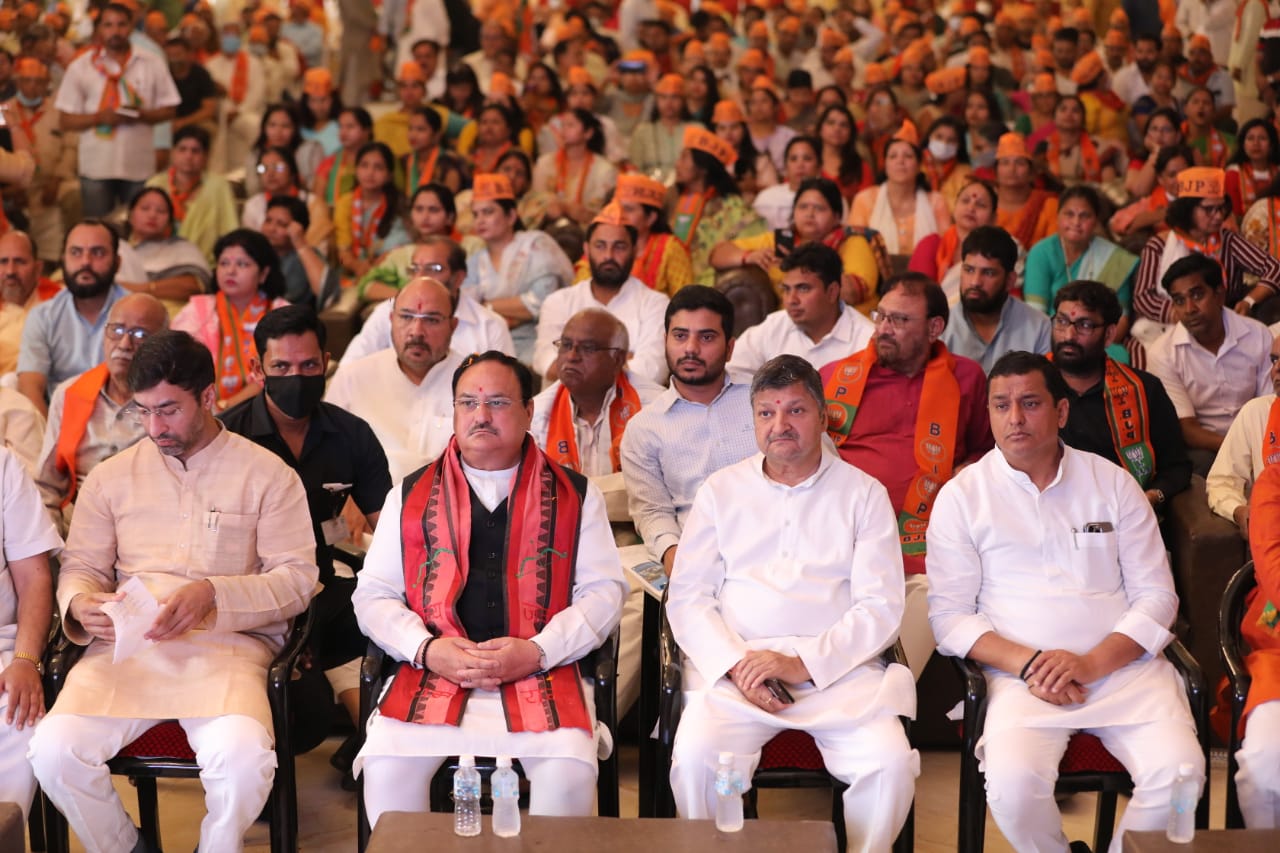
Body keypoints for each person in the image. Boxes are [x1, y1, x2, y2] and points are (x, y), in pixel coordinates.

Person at [28, 329, 318, 853]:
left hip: (227, 651)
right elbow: (82, 566)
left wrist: (213, 594)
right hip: (125, 654)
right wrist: (80, 603)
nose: (155, 427)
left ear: (208, 397)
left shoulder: (268, 474)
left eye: (168, 410)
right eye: (143, 412)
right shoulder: (111, 477)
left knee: (244, 758)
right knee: (52, 751)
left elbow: (296, 582)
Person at [926, 351, 1205, 853]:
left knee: (1182, 777)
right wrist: (1033, 664)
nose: (1014, 418)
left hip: (1125, 672)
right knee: (1012, 789)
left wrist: (1090, 662)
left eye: (1030, 403)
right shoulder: (962, 496)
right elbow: (949, 618)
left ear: (1061, 412)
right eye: (1001, 405)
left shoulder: (1113, 483)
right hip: (1022, 679)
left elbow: (1159, 598)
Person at [352, 349, 627, 825]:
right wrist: (426, 649)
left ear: (528, 411)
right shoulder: (410, 494)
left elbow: (603, 593)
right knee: (387, 766)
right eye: (467, 403)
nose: (481, 416)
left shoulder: (577, 494)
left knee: (567, 769)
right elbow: (372, 594)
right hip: (436, 670)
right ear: (454, 412)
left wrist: (539, 651)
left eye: (498, 402)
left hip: (541, 670)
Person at [667, 354, 918, 852]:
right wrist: (739, 665)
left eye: (796, 411)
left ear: (823, 419)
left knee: (888, 764)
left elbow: (880, 607)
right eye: (766, 412)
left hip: (839, 672)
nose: (779, 425)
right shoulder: (721, 490)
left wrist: (803, 662)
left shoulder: (863, 494)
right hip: (737, 670)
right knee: (695, 759)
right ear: (753, 420)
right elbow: (689, 597)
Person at [221, 305, 391, 787]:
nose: (296, 377)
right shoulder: (227, 436)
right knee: (302, 700)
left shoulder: (351, 434)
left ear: (326, 363)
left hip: (327, 578)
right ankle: (253, 766)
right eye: (281, 368)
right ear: (258, 370)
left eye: (308, 366)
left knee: (365, 610)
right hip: (251, 585)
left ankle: (375, 750)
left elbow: (389, 530)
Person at [819, 273, 991, 678]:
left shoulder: (966, 378)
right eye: (881, 316)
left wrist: (967, 473)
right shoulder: (832, 378)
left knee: (938, 592)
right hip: (844, 533)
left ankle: (880, 689)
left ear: (934, 328)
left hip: (927, 538)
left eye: (899, 321)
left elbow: (987, 449)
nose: (883, 329)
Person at [1051, 280, 1191, 514]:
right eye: (1062, 321)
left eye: (1084, 325)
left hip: (1122, 515)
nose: (1069, 334)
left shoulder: (1144, 390)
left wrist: (1153, 496)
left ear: (1109, 334)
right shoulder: (1032, 389)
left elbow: (1176, 467)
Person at [34, 293, 168, 533]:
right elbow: (48, 486)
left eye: (139, 335)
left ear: (164, 343)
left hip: (151, 525)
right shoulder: (69, 393)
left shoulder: (173, 402)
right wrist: (51, 545)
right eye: (116, 330)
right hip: (78, 524)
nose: (124, 345)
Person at [326, 278, 464, 482]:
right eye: (406, 317)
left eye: (431, 320)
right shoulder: (352, 378)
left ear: (453, 326)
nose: (416, 331)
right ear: (391, 319)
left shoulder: (475, 381)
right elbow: (328, 456)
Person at [1133, 167, 1280, 355]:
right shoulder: (1159, 245)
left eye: (1221, 208)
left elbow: (1274, 268)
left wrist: (1249, 301)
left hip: (1227, 327)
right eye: (1209, 209)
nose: (1218, 216)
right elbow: (1143, 297)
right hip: (1169, 326)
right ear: (1187, 209)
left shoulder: (1228, 240)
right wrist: (1188, 314)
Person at [1147, 253, 1274, 470]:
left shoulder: (1257, 335)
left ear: (1219, 294)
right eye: (1179, 300)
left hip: (1262, 438)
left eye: (1197, 295)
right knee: (1197, 465)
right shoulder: (1163, 353)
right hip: (1207, 447)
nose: (1189, 309)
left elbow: (1269, 407)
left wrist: (1256, 449)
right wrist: (1238, 449)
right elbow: (1186, 428)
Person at [54, 2, 180, 218]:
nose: (115, 31)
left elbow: (170, 109)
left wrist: (142, 115)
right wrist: (99, 117)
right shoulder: (82, 66)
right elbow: (65, 120)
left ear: (131, 26)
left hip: (138, 164)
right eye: (108, 25)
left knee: (137, 230)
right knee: (98, 228)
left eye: (121, 25)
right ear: (99, 29)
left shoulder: (151, 61)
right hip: (96, 165)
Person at [533, 204, 669, 385]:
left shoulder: (656, 304)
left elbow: (652, 371)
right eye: (600, 246)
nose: (609, 255)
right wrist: (620, 359)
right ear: (587, 250)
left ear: (635, 250)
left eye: (619, 247)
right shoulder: (559, 302)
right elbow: (546, 362)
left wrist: (574, 360)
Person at [0, 440, 61, 826]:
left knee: (16, 714)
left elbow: (35, 578)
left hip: (3, 643)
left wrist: (26, 659)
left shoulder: (3, 464)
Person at [340, 238, 513, 372]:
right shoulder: (386, 312)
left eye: (434, 269)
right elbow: (348, 369)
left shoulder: (490, 326)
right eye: (414, 269)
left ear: (459, 277)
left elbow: (507, 392)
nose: (421, 277)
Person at [18, 220, 129, 416]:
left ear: (117, 262)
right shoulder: (44, 316)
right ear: (63, 260)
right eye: (76, 252)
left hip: (126, 422)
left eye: (98, 252)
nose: (85, 261)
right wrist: (52, 440)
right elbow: (31, 387)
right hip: (60, 421)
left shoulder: (140, 314)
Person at [461, 173, 575, 365]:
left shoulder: (536, 245)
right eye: (476, 214)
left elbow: (542, 302)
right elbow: (467, 310)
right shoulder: (474, 261)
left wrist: (486, 305)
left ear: (511, 216)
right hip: (486, 345)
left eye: (488, 212)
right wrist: (511, 312)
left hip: (537, 341)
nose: (480, 220)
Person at [172, 229, 290, 411]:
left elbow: (284, 371)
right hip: (205, 410)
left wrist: (227, 406)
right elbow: (178, 367)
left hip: (269, 409)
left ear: (263, 273)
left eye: (243, 264)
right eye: (224, 263)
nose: (230, 271)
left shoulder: (281, 311)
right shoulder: (197, 310)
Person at [727, 242, 875, 379]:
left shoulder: (867, 339)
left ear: (832, 292)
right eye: (786, 289)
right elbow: (732, 372)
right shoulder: (774, 326)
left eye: (803, 289)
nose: (791, 300)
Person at [1024, 186, 1138, 361]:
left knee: (1120, 358)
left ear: (1096, 221)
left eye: (1084, 216)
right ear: (1058, 217)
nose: (1076, 222)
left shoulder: (1114, 259)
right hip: (1049, 339)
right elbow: (1034, 315)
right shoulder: (1041, 252)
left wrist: (1090, 341)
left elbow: (1120, 320)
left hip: (1097, 343)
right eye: (1069, 214)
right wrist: (1067, 340)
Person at [942, 226, 1051, 372]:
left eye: (988, 273)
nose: (975, 282)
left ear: (1010, 280)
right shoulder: (941, 327)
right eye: (969, 270)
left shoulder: (1039, 327)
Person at [672, 124, 768, 287]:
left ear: (702, 167)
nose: (677, 164)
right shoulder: (675, 200)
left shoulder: (733, 208)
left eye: (684, 157)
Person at [5, 56, 80, 264]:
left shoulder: (59, 110)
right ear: (17, 82)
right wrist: (14, 186)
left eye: (39, 81)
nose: (32, 86)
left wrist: (57, 180)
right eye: (26, 80)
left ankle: (72, 253)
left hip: (53, 181)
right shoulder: (4, 112)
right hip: (15, 185)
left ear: (47, 84)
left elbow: (71, 146)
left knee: (75, 194)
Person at [1206, 336, 1280, 537]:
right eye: (1274, 360)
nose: (1276, 369)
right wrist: (1237, 510)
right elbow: (1222, 481)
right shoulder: (1257, 413)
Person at [849, 121, 949, 269]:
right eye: (893, 156)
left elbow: (945, 251)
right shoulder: (865, 199)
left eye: (908, 156)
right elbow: (856, 249)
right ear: (885, 164)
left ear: (918, 165)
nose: (900, 161)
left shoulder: (936, 201)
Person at [144, 125, 238, 263]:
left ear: (206, 156)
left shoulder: (218, 186)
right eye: (182, 149)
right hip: (154, 259)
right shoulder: (156, 184)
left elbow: (230, 231)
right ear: (173, 152)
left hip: (203, 263)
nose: (188, 156)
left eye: (195, 151)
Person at [114, 188, 211, 307]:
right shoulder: (116, 249)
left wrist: (133, 289)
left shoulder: (183, 249)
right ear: (131, 215)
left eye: (161, 211)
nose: (152, 215)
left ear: (169, 222)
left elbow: (193, 287)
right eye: (145, 208)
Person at [909, 179, 1000, 305]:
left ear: (994, 218)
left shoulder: (1000, 251)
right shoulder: (931, 245)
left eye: (980, 204)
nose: (971, 207)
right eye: (965, 201)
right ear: (954, 206)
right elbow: (916, 298)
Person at [530, 107, 618, 226]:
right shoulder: (544, 163)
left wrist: (574, 211)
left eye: (570, 125)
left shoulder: (605, 169)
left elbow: (604, 209)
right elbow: (536, 200)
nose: (563, 131)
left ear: (588, 133)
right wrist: (563, 207)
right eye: (562, 125)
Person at [612, 173, 694, 297]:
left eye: (628, 210)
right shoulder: (602, 244)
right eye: (616, 209)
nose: (619, 215)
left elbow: (687, 300)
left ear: (650, 218)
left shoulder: (670, 249)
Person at [0, 231, 61, 376]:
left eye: (20, 262)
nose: (10, 271)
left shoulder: (58, 304)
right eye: (3, 261)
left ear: (38, 268)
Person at [993, 133, 1059, 249]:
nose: (1011, 169)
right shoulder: (985, 203)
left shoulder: (1048, 205)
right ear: (996, 171)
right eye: (1005, 163)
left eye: (1020, 163)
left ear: (1031, 172)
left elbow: (1054, 249)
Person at [628, 74, 692, 186]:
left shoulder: (695, 129)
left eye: (675, 97)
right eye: (663, 97)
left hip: (687, 188)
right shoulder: (642, 131)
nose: (669, 103)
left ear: (683, 101)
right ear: (656, 100)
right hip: (650, 189)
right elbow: (634, 169)